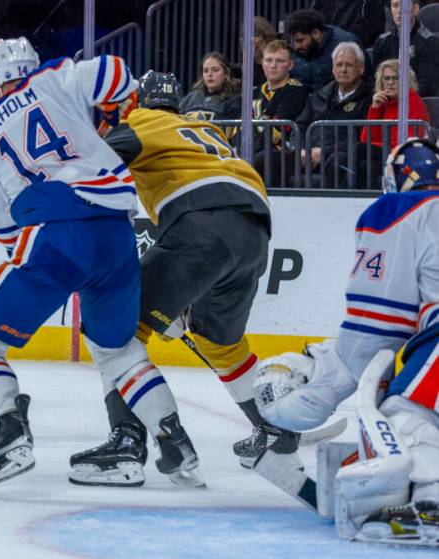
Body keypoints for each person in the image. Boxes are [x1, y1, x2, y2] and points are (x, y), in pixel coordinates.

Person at [0, 38, 200, 492]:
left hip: (52, 233)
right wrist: (109, 109)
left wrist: (41, 268)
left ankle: (9, 430)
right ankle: (175, 441)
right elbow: (117, 73)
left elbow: (3, 225)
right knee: (118, 351)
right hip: (115, 232)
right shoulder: (55, 78)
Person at [68, 71, 296, 488]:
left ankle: (127, 442)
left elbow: (87, 167)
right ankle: (275, 430)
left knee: (113, 330)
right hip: (253, 231)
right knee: (217, 341)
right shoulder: (203, 127)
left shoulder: (137, 123)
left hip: (201, 223)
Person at [254, 137, 439, 542]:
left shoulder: (397, 210)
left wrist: (323, 378)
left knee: (408, 414)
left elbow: (377, 325)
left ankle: (431, 502)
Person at [295, 42, 374, 187]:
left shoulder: (370, 100)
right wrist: (300, 149)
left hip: (338, 155)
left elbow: (361, 138)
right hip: (308, 154)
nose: (343, 70)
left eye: (349, 65)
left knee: (339, 162)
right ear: (333, 69)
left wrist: (324, 152)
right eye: (339, 65)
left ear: (361, 69)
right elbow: (299, 126)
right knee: (267, 159)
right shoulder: (319, 96)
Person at [358, 60, 431, 185]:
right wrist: (375, 108)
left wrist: (377, 144)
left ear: (405, 81)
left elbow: (406, 140)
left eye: (395, 78)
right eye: (386, 78)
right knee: (360, 163)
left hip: (404, 156)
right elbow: (366, 138)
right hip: (384, 154)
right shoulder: (383, 102)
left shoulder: (413, 100)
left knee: (356, 150)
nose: (390, 83)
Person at [249, 40, 309, 184]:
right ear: (262, 63)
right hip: (257, 148)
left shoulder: (295, 90)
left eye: (280, 61)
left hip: (285, 152)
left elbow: (278, 128)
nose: (273, 65)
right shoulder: (253, 92)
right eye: (269, 60)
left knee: (261, 159)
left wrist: (249, 149)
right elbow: (240, 126)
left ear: (291, 65)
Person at [370, 0, 439, 97]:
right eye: (395, 6)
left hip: (414, 103)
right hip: (385, 102)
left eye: (404, 6)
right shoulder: (382, 41)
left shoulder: (430, 42)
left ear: (415, 9)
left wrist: (397, 94)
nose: (399, 11)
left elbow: (427, 86)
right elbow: (374, 79)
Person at [286, 8, 360, 91]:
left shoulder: (347, 44)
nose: (296, 46)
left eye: (300, 41)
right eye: (293, 41)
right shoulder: (296, 49)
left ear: (316, 33)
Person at [179, 52, 241, 122]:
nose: (209, 74)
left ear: (226, 73)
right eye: (205, 71)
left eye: (215, 70)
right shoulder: (190, 98)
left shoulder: (234, 100)